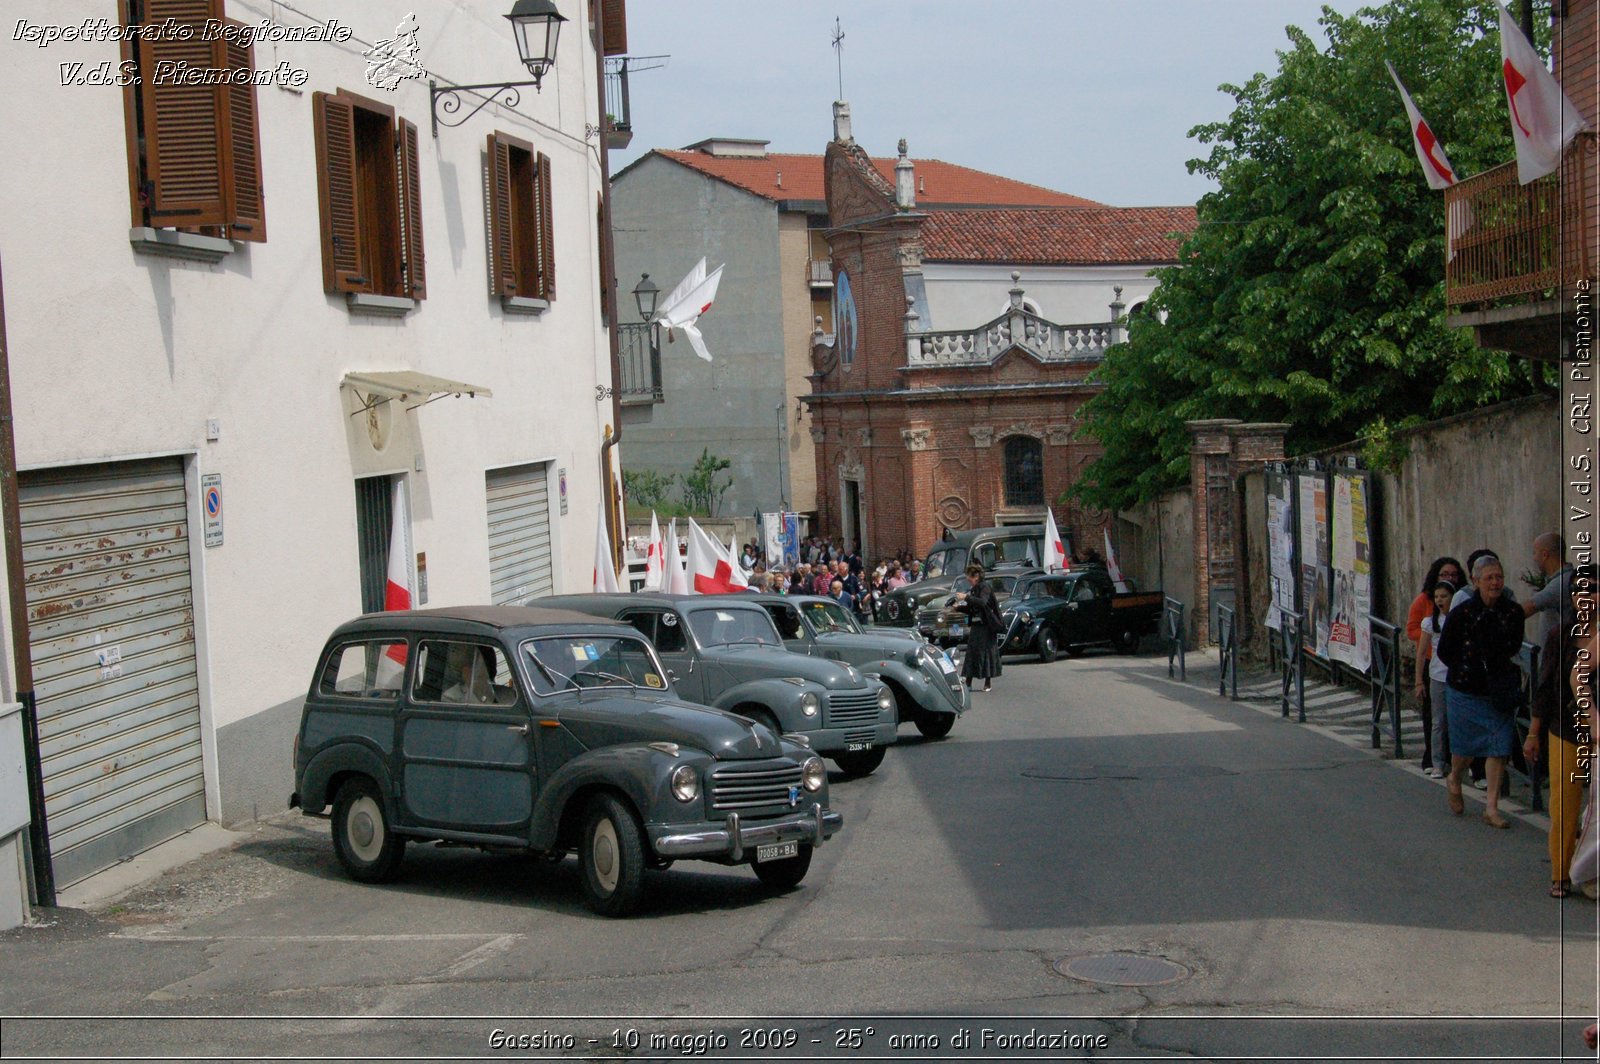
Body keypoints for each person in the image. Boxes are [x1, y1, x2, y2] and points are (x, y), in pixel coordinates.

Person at [1435, 554, 1526, 829]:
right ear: (1476, 581)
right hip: (1465, 689)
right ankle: (1455, 777)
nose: (1495, 583)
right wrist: (1469, 667)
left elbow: (1513, 646)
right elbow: (1445, 650)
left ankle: (1491, 808)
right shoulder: (1461, 613)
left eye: (1498, 577)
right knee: (1464, 751)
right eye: (1489, 578)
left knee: (1498, 748)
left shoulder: (1512, 612)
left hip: (1497, 690)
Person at [1525, 564, 1597, 897]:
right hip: (1566, 729)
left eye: (1594, 589)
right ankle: (1561, 873)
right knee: (1565, 804)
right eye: (1582, 590)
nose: (1588, 597)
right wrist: (1533, 731)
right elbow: (1547, 684)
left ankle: (1590, 870)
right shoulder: (1561, 635)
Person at [1413, 580, 1457, 779]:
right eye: (1437, 597)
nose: (1440, 600)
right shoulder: (1430, 623)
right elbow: (1422, 653)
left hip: (1458, 676)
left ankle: (1459, 764)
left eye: (1444, 596)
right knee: (1438, 722)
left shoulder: (1458, 619)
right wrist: (1419, 681)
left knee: (1458, 721)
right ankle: (1437, 762)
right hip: (1437, 676)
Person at [952, 563, 1004, 693]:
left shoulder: (985, 587)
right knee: (972, 653)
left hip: (986, 626)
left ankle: (987, 682)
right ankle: (968, 682)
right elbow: (972, 609)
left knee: (986, 653)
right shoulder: (974, 589)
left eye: (969, 577)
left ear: (976, 576)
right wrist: (958, 607)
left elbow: (982, 602)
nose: (968, 580)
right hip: (976, 625)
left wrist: (966, 597)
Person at [1523, 532, 1572, 646]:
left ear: (1545, 555)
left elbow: (1526, 608)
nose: (1534, 558)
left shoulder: (1561, 583)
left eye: (1535, 553)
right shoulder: (1560, 580)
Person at [1406, 557, 1465, 645]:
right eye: (1444, 575)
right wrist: (1433, 633)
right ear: (1435, 576)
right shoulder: (1423, 599)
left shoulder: (1464, 598)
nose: (1450, 578)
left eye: (1454, 575)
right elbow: (1411, 631)